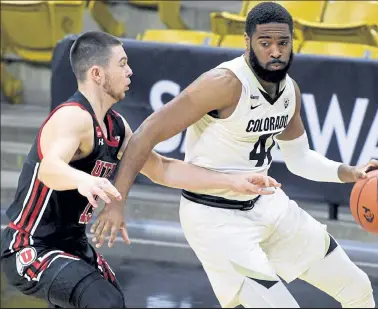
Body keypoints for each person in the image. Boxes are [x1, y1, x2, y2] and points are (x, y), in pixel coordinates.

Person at [91, 3, 378, 308]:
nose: (276, 51)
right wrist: (117, 201)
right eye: (265, 43)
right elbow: (147, 133)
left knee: (359, 290)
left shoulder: (290, 90)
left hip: (267, 205)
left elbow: (299, 158)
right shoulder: (224, 84)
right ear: (248, 42)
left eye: (283, 42)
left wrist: (351, 172)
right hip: (215, 218)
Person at [0, 31, 280, 308]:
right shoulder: (73, 117)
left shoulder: (116, 126)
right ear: (97, 74)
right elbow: (49, 167)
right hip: (30, 245)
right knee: (102, 301)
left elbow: (162, 168)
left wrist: (232, 182)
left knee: (113, 300)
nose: (130, 71)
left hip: (72, 244)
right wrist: (83, 180)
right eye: (122, 64)